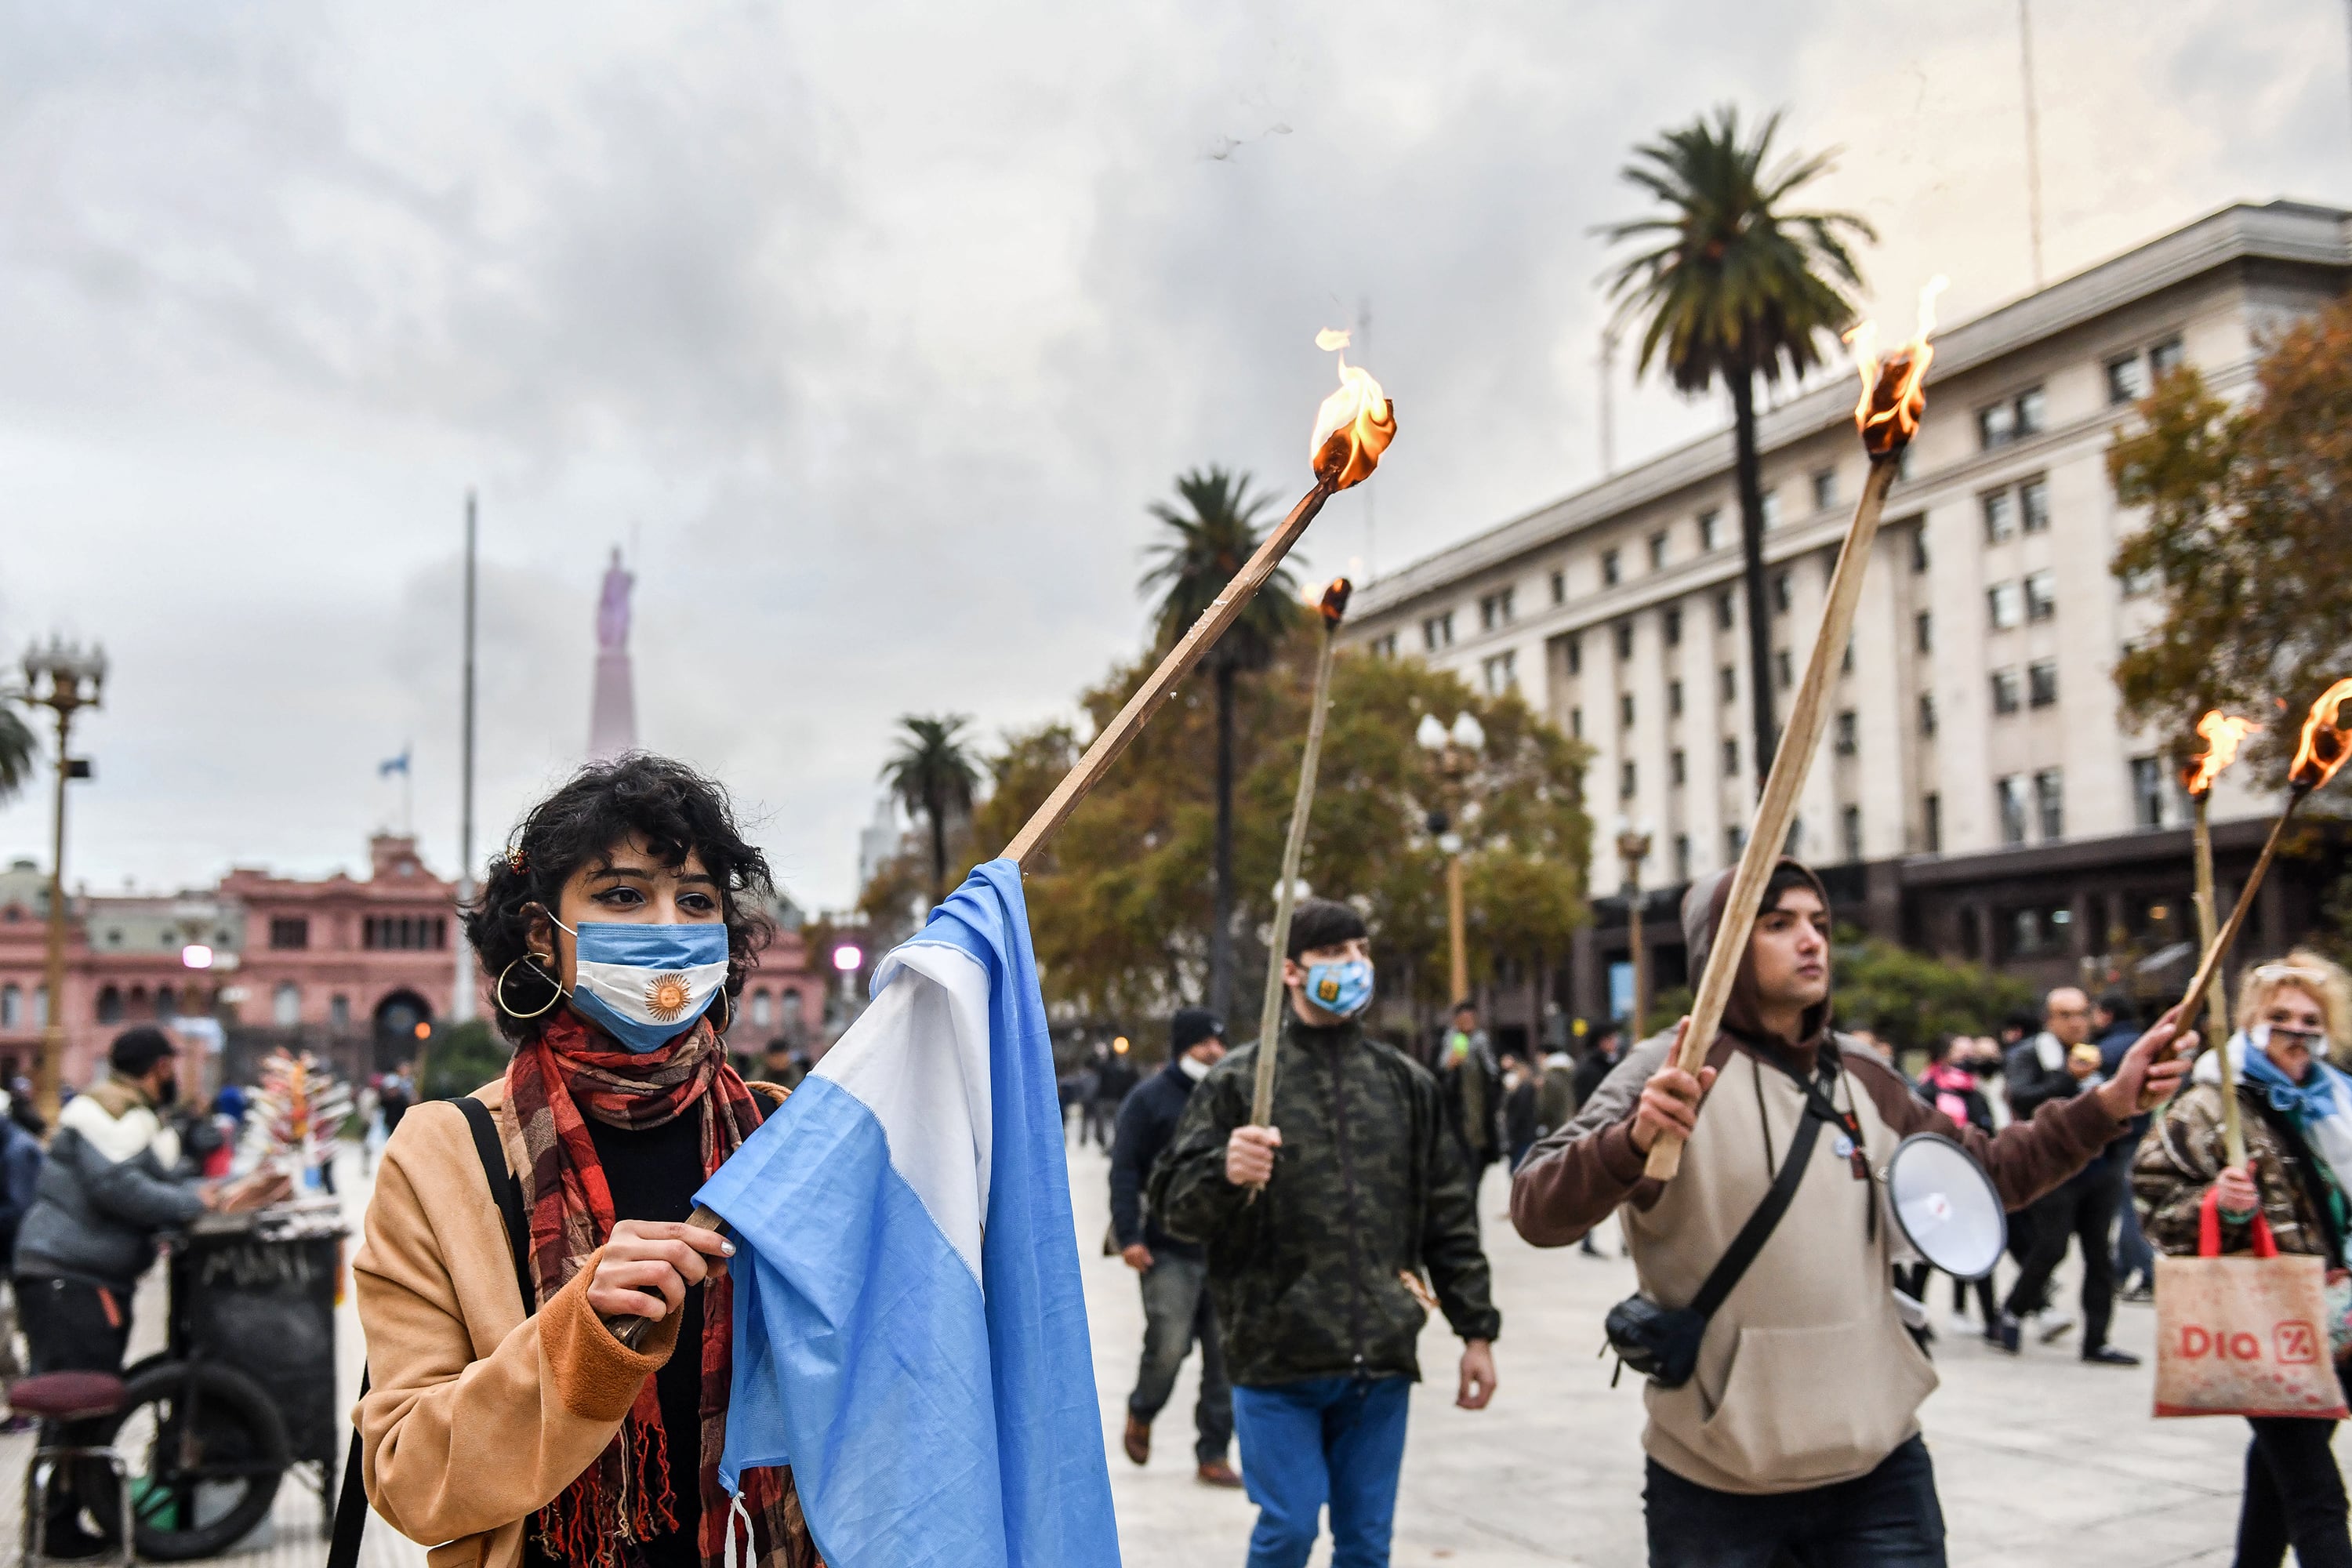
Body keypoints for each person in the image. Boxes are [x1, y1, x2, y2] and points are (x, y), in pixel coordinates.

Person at [1510, 859, 2187, 1568]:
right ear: (1723, 946)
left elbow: (1987, 1173)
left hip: (1878, 1469)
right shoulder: (1667, 1070)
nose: (1812, 942)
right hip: (1715, 1480)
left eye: (1819, 924)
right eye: (1779, 925)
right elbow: (1536, 1205)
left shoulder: (1862, 1071)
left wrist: (2109, 1105)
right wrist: (1631, 1143)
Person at [353, 756, 819, 1567]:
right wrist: (581, 1337)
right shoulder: (446, 1159)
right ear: (544, 933)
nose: (669, 925)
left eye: (698, 900)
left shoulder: (783, 1135)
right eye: (623, 894)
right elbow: (411, 1479)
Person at [1152, 898, 1500, 1568]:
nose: (1354, 967)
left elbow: (1449, 1218)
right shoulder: (1240, 1084)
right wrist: (1226, 1171)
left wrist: (1475, 1331)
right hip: (1274, 1358)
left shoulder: (1406, 1085)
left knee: (1367, 1546)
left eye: (1361, 952)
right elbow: (1174, 1206)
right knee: (1288, 1530)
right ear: (1292, 971)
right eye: (1335, 955)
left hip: (1379, 1360)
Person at [14, 1026, 286, 1557]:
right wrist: (199, 1203)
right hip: (68, 1277)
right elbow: (119, 1188)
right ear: (161, 1067)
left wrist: (205, 1190)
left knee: (82, 1406)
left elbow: (150, 1183)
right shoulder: (109, 1113)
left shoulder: (123, 1109)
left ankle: (60, 1524)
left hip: (78, 1275)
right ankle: (54, 1531)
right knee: (74, 1403)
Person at [2135, 951, 2352, 1568]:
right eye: (2280, 1014)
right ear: (2253, 1020)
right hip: (2267, 1320)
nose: (2297, 1028)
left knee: (2278, 1470)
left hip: (2340, 1318)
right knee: (2316, 1491)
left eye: (2311, 1017)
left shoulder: (2337, 1100)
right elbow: (2153, 1198)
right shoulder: (2212, 1104)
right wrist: (2220, 1205)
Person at [1108, 1007, 1240, 1488]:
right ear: (1185, 1045)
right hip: (1167, 1249)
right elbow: (1124, 1170)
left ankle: (1214, 1452)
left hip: (1225, 1248)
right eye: (1207, 1043)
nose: (1216, 1052)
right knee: (1169, 1344)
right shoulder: (1148, 1101)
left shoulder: (1230, 1095)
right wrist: (1130, 1235)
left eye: (1220, 1043)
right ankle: (1143, 1409)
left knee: (1225, 1357)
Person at [1995, 986, 2136, 1362]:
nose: (2076, 1022)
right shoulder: (2030, 1054)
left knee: (2099, 1255)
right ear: (2049, 1019)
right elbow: (2021, 1098)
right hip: (2051, 1168)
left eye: (2081, 1013)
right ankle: (2014, 1310)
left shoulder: (2101, 1054)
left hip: (2100, 1167)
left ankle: (2097, 1340)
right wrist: (2067, 1077)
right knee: (2052, 1247)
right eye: (2066, 1014)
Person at [1907, 1035, 2002, 1338]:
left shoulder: (1974, 1091)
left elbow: (1990, 1132)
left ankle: (1992, 1321)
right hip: (1934, 1183)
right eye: (1961, 1054)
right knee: (1927, 1255)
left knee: (1978, 1247)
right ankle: (1915, 1320)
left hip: (1969, 1180)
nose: (1968, 1059)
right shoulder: (1926, 1091)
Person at [2094, 990, 2157, 1301]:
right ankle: (2122, 1269)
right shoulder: (2145, 1044)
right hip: (2143, 1130)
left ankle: (2145, 1272)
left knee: (2129, 1208)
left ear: (2107, 1014)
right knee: (2131, 1203)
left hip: (2117, 1138)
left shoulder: (2102, 1049)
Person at [1437, 1000, 1503, 1203]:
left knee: (1474, 1183)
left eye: (1471, 1018)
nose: (1467, 1023)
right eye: (1463, 1019)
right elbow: (1438, 1081)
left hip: (1479, 1129)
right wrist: (1449, 1067)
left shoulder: (1483, 1044)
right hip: (1456, 1128)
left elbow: (1494, 1080)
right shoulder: (1446, 1044)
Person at [1500, 1052, 1541, 1173]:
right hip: (1522, 1133)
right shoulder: (1522, 1086)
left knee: (1519, 1169)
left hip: (1522, 1134)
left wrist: (1511, 1129)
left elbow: (1519, 1112)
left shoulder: (1523, 1087)